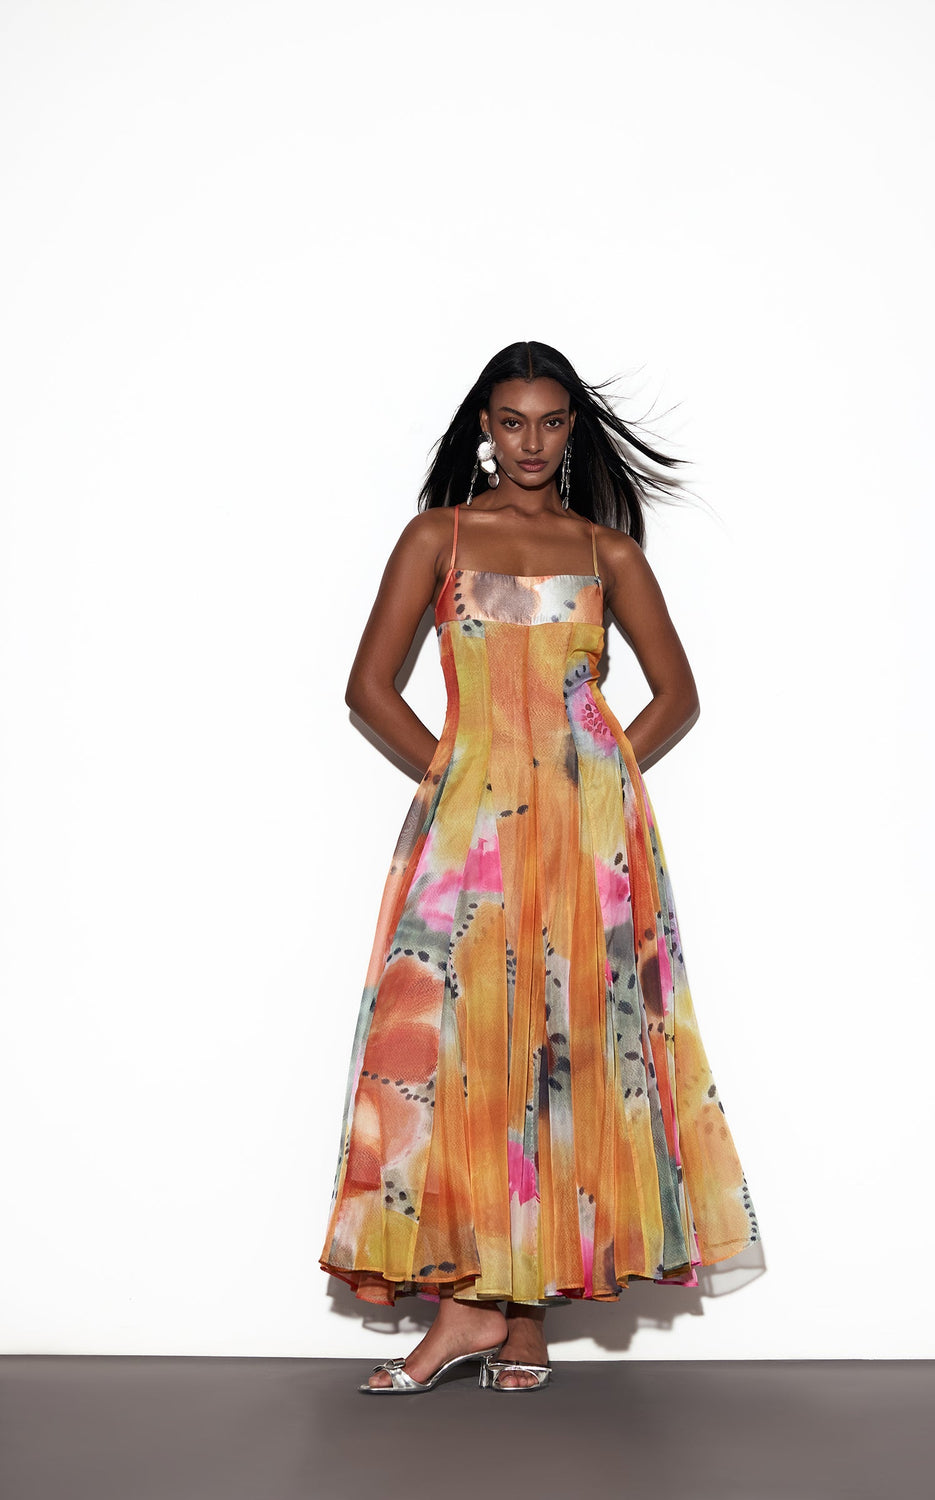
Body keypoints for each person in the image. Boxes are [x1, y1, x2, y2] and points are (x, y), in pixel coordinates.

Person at [318, 340, 759, 1394]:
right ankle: (477, 1308)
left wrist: (590, 783)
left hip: (582, 842)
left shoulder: (607, 555)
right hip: (467, 834)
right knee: (457, 1049)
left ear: (573, 431)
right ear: (484, 427)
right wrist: (459, 779)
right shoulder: (438, 537)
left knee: (563, 1057)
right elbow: (369, 687)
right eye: (511, 421)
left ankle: (520, 1322)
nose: (531, 442)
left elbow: (677, 696)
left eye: (550, 422)